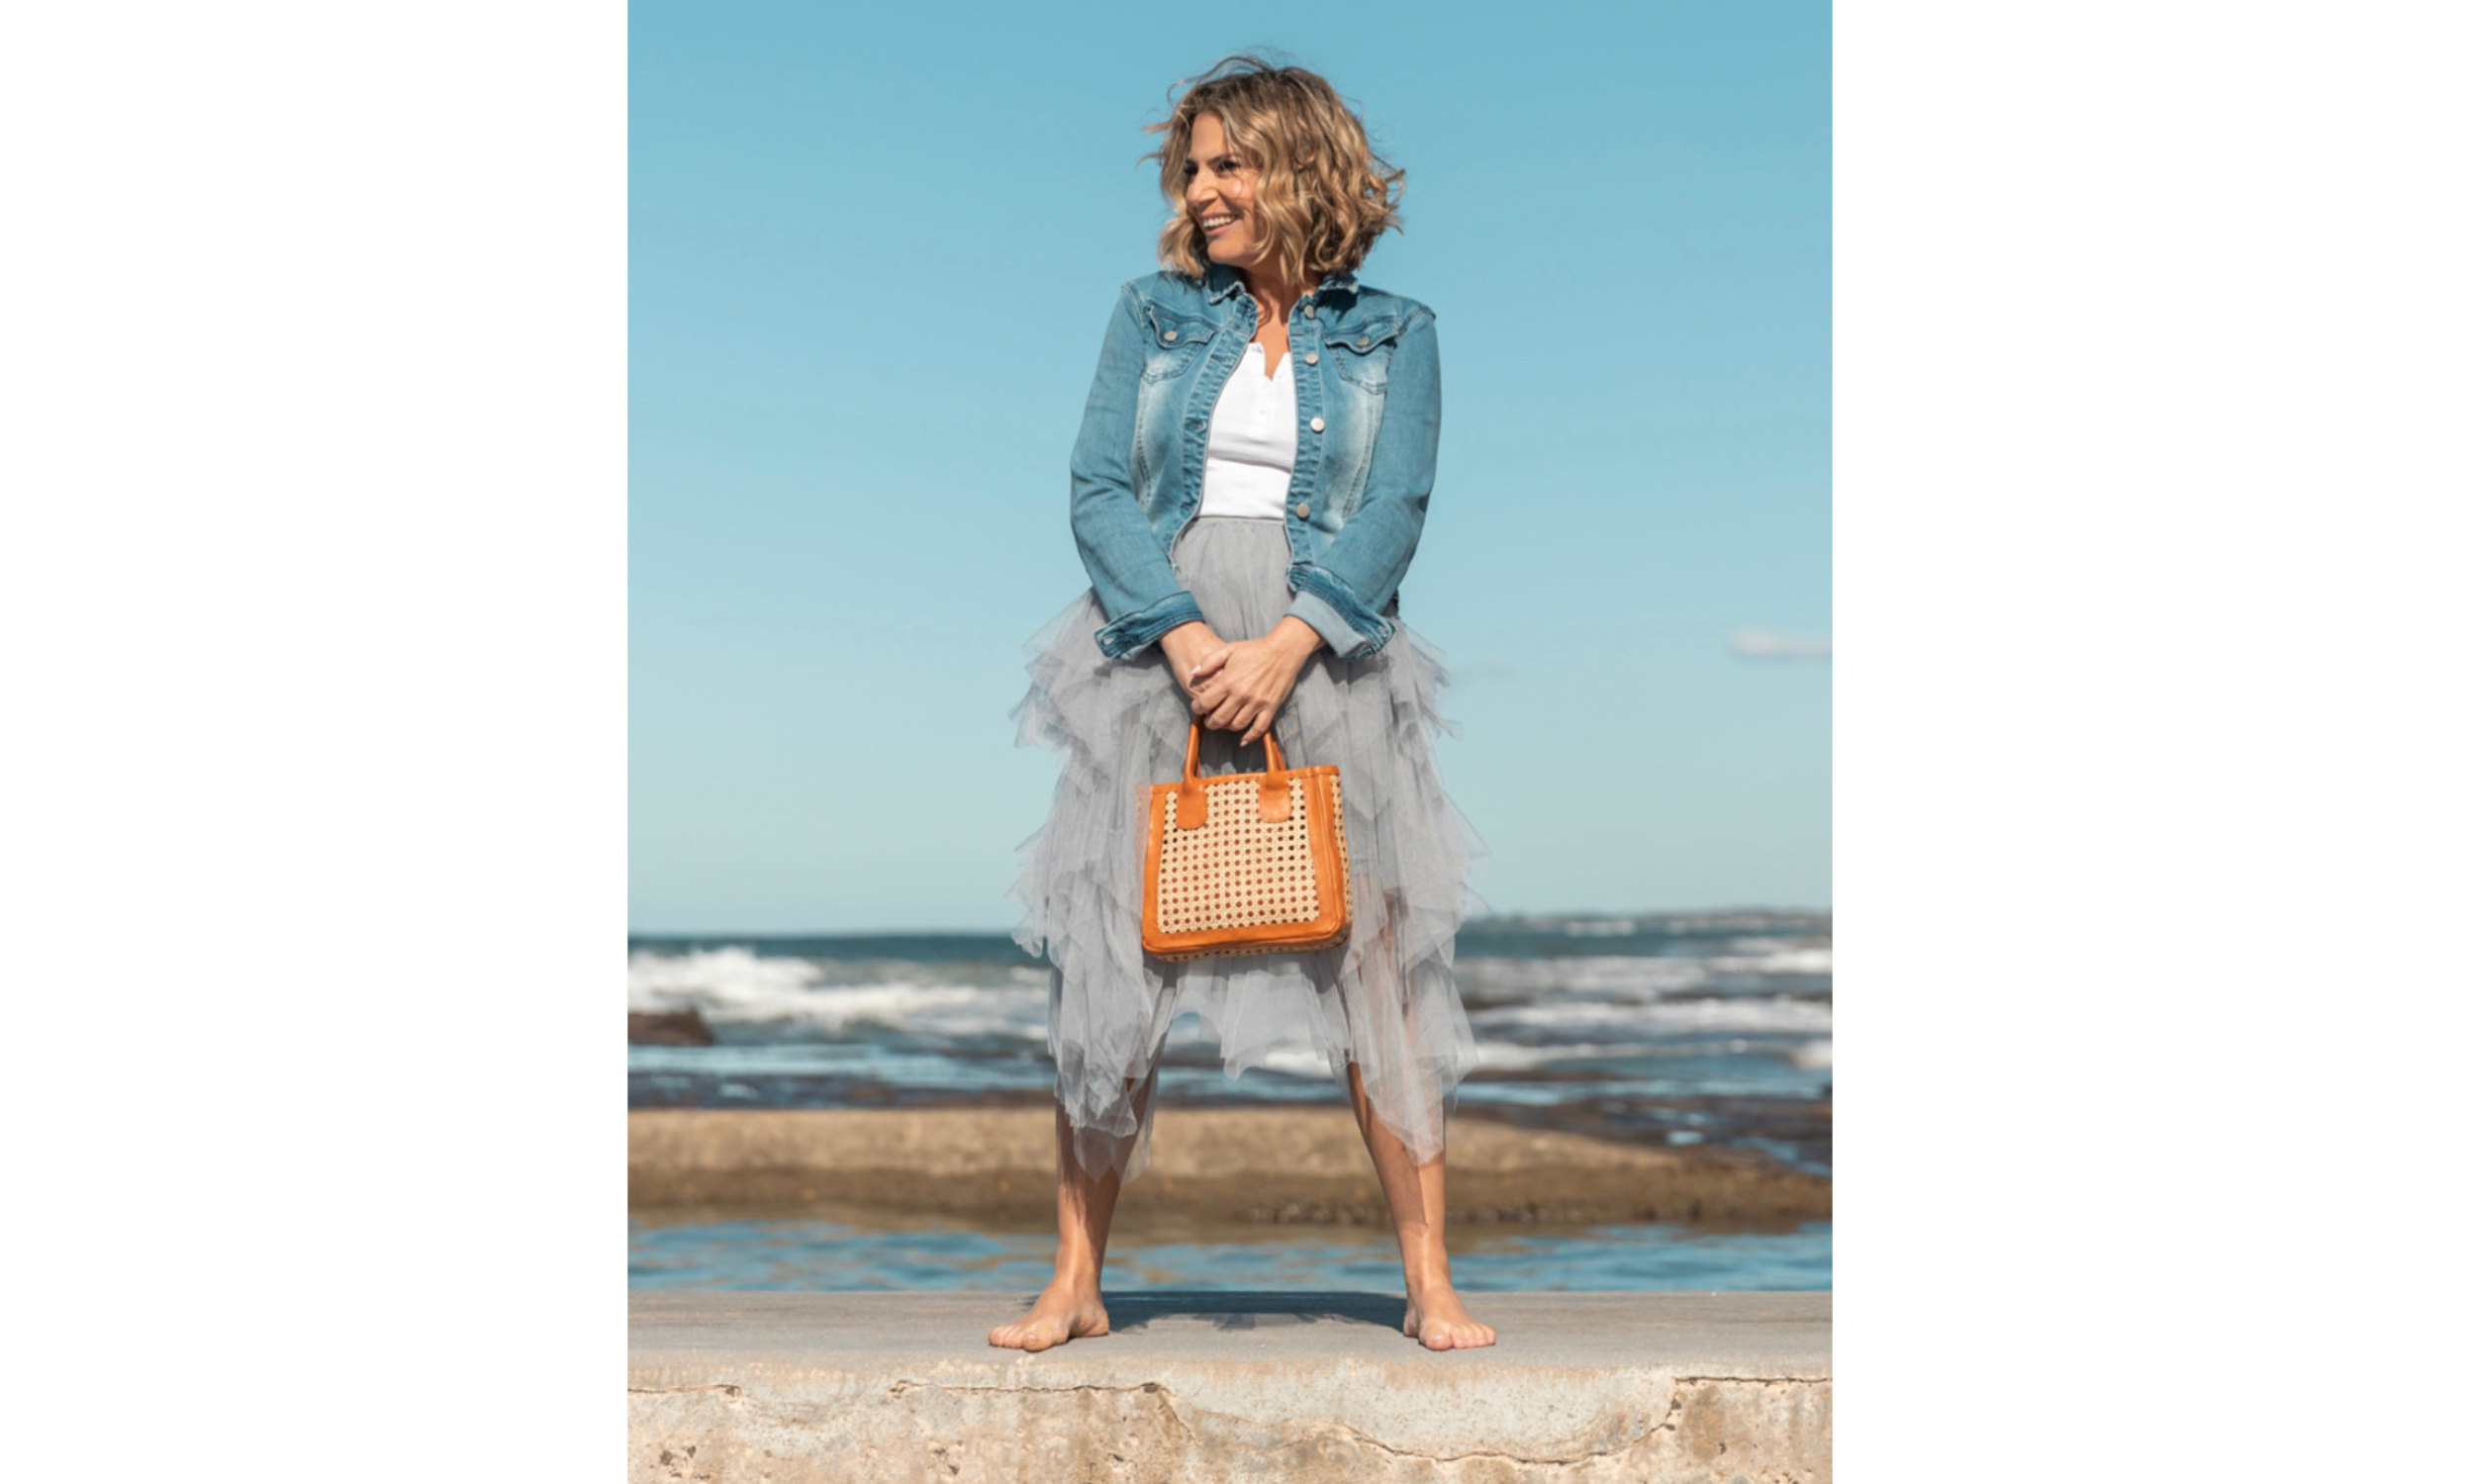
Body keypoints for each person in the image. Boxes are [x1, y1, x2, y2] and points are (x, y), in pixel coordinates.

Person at [992, 55, 1492, 1352]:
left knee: (1372, 955)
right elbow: (1100, 486)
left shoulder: (1397, 334)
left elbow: (1395, 507)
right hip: (1159, 643)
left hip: (1325, 645)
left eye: (1230, 165)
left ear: (1298, 165)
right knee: (1116, 958)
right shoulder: (1153, 316)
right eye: (1194, 168)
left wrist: (1285, 644)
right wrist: (1184, 640)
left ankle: (1430, 1280)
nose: (1202, 190)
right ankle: (1074, 1276)